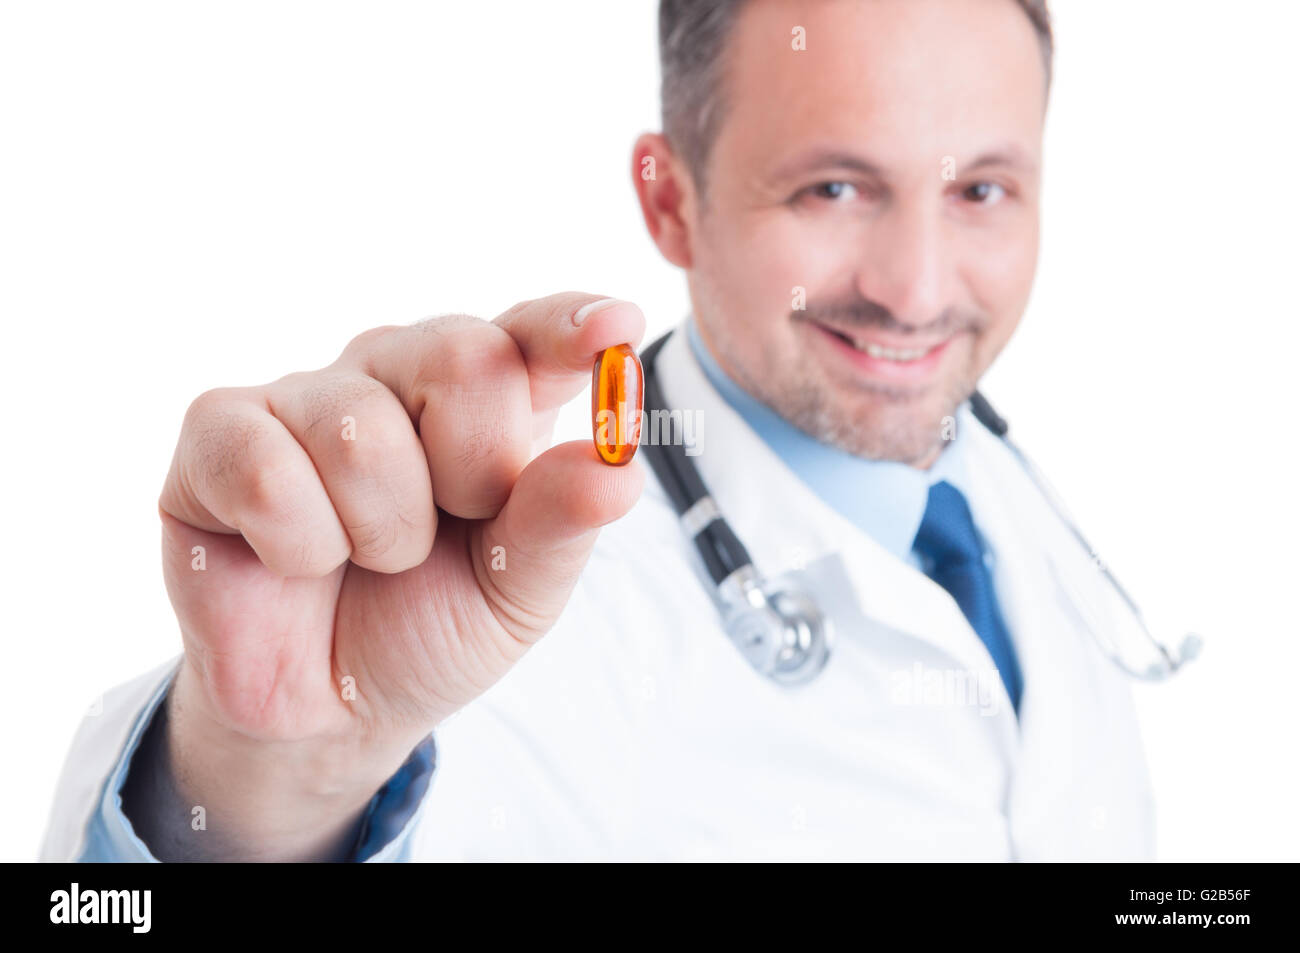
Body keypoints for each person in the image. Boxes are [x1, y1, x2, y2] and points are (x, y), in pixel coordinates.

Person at [40, 0, 1156, 862]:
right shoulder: (518, 617)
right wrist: (274, 785)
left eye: (980, 192)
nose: (916, 290)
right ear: (671, 201)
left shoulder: (1004, 498)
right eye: (831, 188)